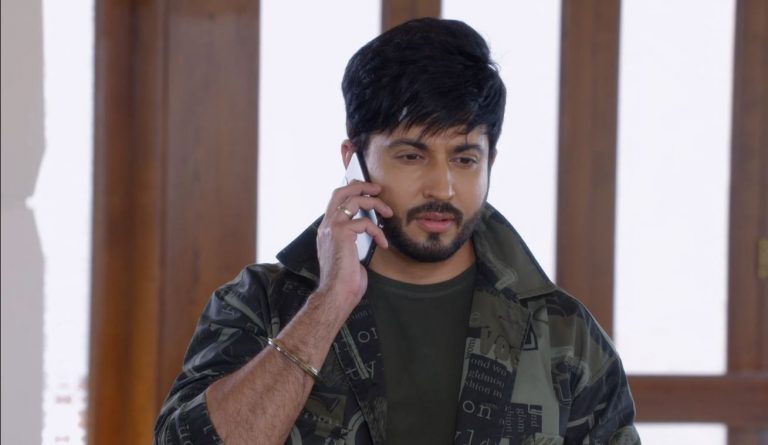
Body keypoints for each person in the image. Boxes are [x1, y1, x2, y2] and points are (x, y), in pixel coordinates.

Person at [154, 18, 640, 445]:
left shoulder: (564, 335)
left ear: (490, 161)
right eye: (411, 155)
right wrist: (327, 305)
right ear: (354, 160)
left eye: (465, 159)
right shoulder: (259, 305)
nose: (442, 187)